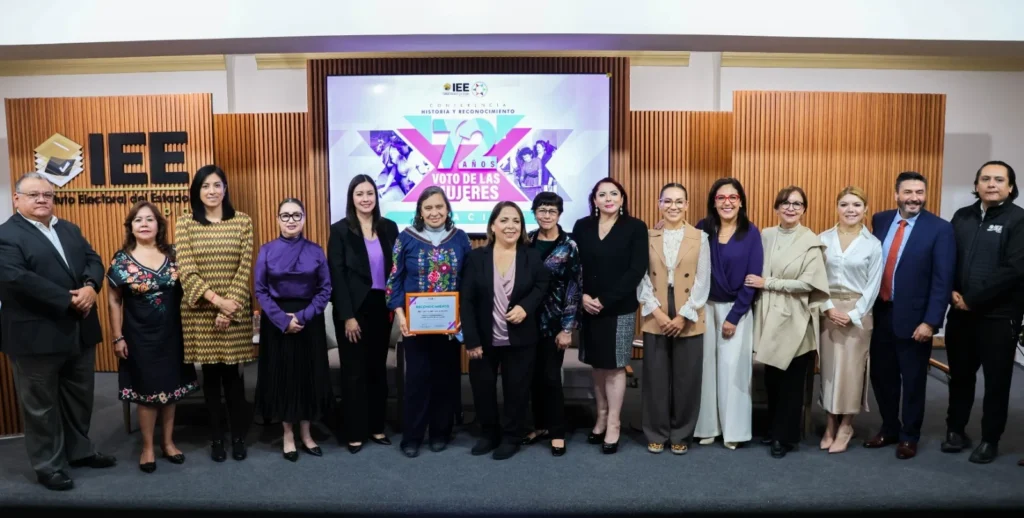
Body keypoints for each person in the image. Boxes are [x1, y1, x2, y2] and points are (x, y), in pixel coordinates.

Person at [0, 172, 116, 491]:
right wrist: (69, 300)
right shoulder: (6, 235)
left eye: (48, 195)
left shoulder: (68, 228)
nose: (42, 200)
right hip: (35, 336)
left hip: (78, 331)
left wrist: (91, 287)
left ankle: (79, 452)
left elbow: (93, 260)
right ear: (17, 199)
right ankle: (48, 465)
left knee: (79, 398)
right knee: (41, 406)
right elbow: (15, 278)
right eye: (34, 194)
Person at [865, 171, 955, 460]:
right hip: (880, 313)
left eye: (919, 192)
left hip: (916, 320)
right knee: (882, 376)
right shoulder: (879, 219)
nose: (914, 197)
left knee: (913, 380)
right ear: (896, 194)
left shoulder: (939, 229)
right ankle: (890, 426)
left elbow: (942, 280)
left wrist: (931, 321)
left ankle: (909, 436)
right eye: (908, 192)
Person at [107, 201, 199, 473]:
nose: (144, 224)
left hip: (172, 334)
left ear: (159, 225)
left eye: (150, 219)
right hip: (138, 337)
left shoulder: (175, 254)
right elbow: (114, 300)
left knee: (170, 391)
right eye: (138, 220)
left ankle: (168, 443)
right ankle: (148, 447)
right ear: (131, 227)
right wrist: (117, 337)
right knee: (147, 393)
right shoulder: (121, 259)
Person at [943, 160, 1024, 464]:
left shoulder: (1019, 220)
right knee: (960, 376)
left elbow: (1014, 269)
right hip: (961, 315)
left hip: (998, 316)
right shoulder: (962, 217)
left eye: (999, 179)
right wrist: (951, 290)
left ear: (1010, 186)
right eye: (985, 179)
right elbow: (948, 257)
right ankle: (955, 430)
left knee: (997, 381)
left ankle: (990, 439)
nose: (992, 184)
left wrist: (972, 298)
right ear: (976, 185)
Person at [175, 164, 256, 462]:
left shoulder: (243, 222)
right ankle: (216, 438)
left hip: (234, 311)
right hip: (201, 312)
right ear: (198, 191)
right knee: (210, 378)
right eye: (205, 186)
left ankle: (238, 437)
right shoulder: (185, 223)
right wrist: (217, 302)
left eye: (217, 185)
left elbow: (244, 266)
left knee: (234, 378)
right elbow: (187, 270)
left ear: (225, 189)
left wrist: (229, 305)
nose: (212, 191)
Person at [386, 186, 473, 458]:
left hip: (449, 328)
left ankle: (440, 432)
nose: (434, 212)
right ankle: (412, 437)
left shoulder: (460, 239)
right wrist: (401, 317)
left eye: (439, 207)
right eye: (428, 208)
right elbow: (394, 281)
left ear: (447, 210)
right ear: (420, 212)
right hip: (415, 328)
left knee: (446, 380)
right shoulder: (406, 239)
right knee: (417, 381)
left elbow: (468, 283)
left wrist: (462, 317)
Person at [461, 202, 550, 460]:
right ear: (492, 225)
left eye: (516, 221)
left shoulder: (531, 256)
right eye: (504, 220)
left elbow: (543, 283)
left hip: (521, 339)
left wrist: (526, 306)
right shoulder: (476, 257)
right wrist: (472, 340)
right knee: (483, 388)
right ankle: (489, 434)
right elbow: (466, 300)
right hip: (484, 339)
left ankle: (511, 437)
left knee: (517, 389)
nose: (510, 226)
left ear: (521, 227)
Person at [747, 186, 830, 458]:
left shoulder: (811, 241)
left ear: (804, 209)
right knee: (772, 378)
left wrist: (768, 283)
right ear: (776, 208)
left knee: (791, 382)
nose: (790, 208)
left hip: (796, 317)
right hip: (769, 315)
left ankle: (786, 437)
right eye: (785, 203)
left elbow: (809, 283)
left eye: (797, 203)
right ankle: (772, 428)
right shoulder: (766, 235)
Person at [253, 198, 335, 462]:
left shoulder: (316, 251)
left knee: (307, 376)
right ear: (277, 219)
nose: (291, 220)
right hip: (277, 322)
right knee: (284, 377)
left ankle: (307, 432)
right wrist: (282, 319)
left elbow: (325, 289)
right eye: (285, 215)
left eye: (296, 215)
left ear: (304, 218)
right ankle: (288, 434)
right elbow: (260, 290)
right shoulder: (266, 250)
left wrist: (301, 316)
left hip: (308, 320)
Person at [572, 177, 649, 454]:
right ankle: (601, 415)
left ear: (622, 199)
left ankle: (614, 422)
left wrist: (604, 300)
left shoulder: (635, 227)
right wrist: (582, 297)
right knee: (597, 364)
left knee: (615, 365)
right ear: (594, 200)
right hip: (588, 306)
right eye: (602, 194)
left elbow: (636, 269)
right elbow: (574, 266)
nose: (608, 198)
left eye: (613, 193)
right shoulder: (582, 226)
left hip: (619, 308)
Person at [636, 183, 710, 455]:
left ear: (687, 205)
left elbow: (703, 281)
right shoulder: (647, 236)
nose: (673, 207)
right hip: (655, 305)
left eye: (679, 201)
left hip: (688, 308)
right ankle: (656, 432)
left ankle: (681, 433)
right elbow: (641, 277)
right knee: (655, 376)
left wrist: (683, 315)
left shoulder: (700, 237)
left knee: (687, 377)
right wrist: (656, 310)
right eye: (667, 201)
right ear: (659, 204)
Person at [328, 174, 400, 454]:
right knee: (354, 373)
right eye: (360, 193)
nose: (366, 198)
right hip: (353, 311)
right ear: (352, 198)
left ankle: (376, 427)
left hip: (381, 308)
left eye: (370, 192)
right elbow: (337, 274)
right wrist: (347, 316)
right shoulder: (340, 230)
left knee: (376, 372)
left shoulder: (389, 228)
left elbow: (396, 269)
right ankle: (354, 431)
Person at [694, 177, 763, 450]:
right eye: (721, 198)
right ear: (714, 201)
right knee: (706, 370)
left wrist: (734, 316)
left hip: (737, 311)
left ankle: (734, 431)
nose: (727, 202)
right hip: (704, 307)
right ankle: (708, 427)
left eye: (732, 197)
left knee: (733, 371)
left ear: (741, 201)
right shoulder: (702, 228)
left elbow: (753, 277)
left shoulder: (751, 232)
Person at [816, 187, 883, 454]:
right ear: (837, 208)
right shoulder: (823, 239)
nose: (850, 210)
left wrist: (854, 314)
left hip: (859, 313)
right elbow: (816, 277)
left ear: (865, 209)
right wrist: (828, 307)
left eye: (856, 205)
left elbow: (873, 285)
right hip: (829, 311)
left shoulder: (872, 244)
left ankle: (846, 424)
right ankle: (830, 423)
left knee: (852, 371)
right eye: (844, 204)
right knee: (830, 372)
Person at [523, 192, 582, 456]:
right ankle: (539, 426)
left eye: (552, 211)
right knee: (531, 376)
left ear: (559, 214)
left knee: (549, 377)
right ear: (534, 212)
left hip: (555, 322)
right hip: (526, 320)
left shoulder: (569, 245)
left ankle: (557, 431)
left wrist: (567, 328)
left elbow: (574, 287)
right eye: (542, 210)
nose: (546, 215)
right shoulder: (527, 241)